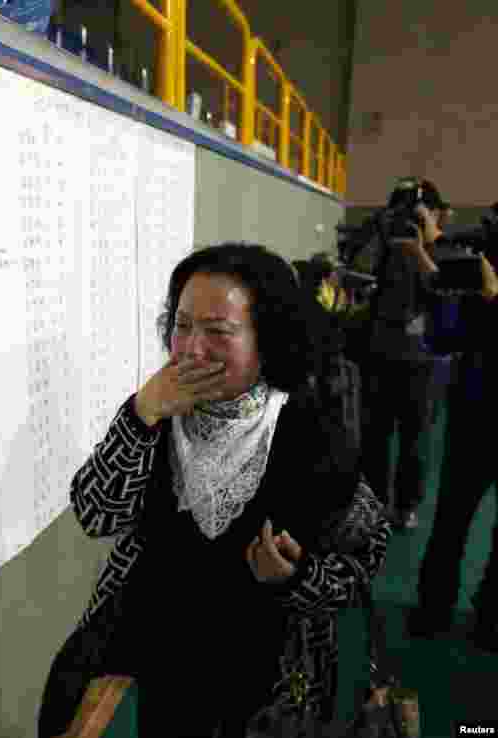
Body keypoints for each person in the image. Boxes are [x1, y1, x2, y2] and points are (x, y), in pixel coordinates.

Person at [37, 243, 392, 737]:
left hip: (269, 681)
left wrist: (296, 576)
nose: (191, 349)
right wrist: (141, 416)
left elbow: (367, 553)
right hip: (159, 663)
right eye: (181, 325)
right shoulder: (158, 412)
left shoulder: (311, 432)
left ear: (267, 340)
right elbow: (95, 513)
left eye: (218, 332)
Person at [408, 252, 498, 651]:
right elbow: (443, 339)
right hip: (474, 421)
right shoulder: (478, 284)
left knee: (452, 521)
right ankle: (435, 611)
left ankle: (484, 619)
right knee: (449, 522)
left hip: (474, 419)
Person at [353, 177, 450, 530]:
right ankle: (375, 503)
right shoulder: (382, 238)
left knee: (415, 439)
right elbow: (358, 271)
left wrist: (423, 244)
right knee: (375, 435)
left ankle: (406, 505)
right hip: (378, 352)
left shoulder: (439, 246)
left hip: (421, 360)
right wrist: (379, 232)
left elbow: (444, 288)